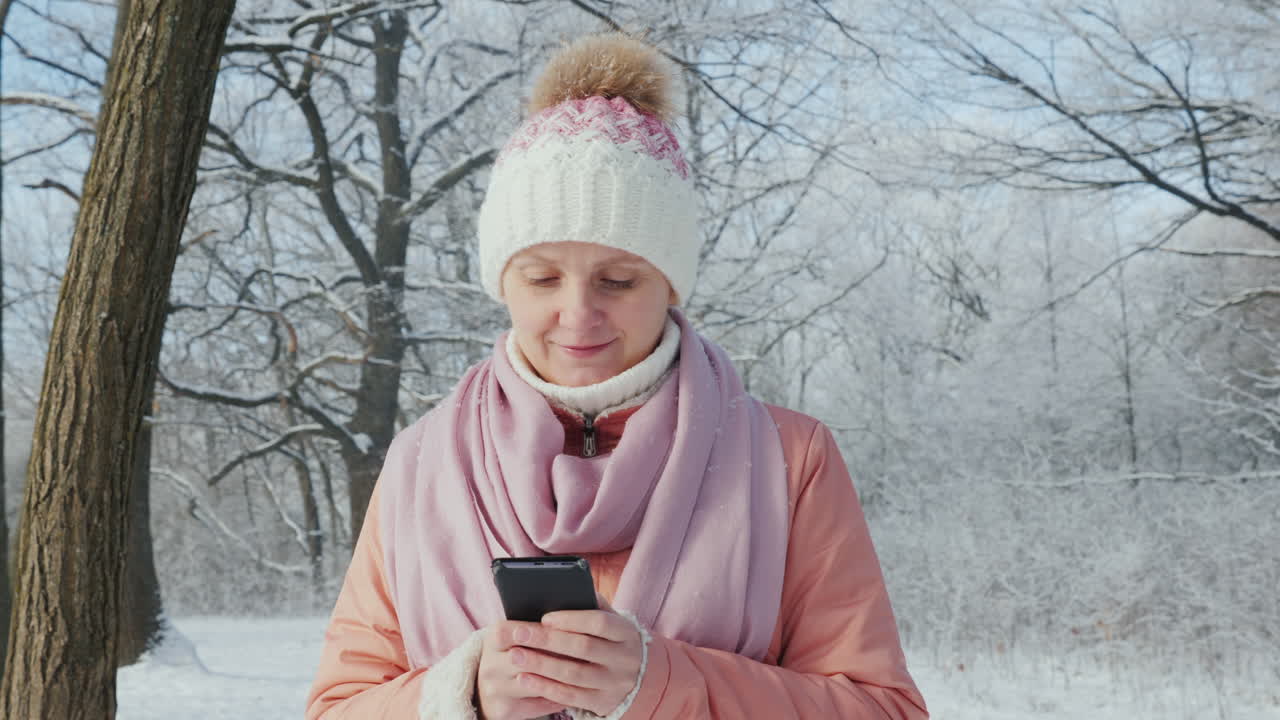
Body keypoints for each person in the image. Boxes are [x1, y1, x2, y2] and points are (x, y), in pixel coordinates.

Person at [305, 32, 928, 720]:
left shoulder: (790, 460)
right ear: (502, 282)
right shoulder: (420, 462)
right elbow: (338, 708)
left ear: (670, 283)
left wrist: (663, 685)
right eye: (542, 277)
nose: (578, 314)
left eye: (619, 279)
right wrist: (460, 693)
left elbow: (883, 708)